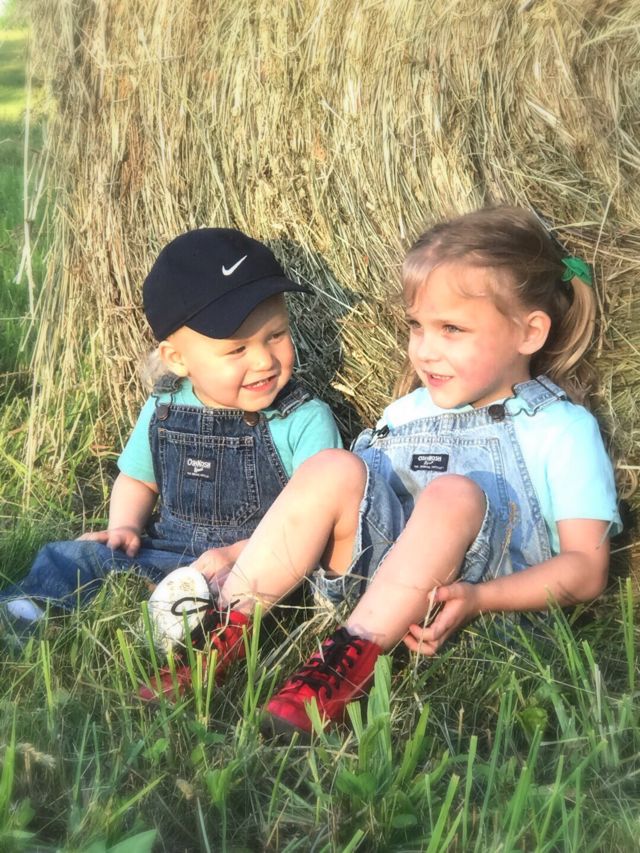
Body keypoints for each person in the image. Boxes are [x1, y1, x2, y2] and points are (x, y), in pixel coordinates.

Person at [140, 206, 621, 738]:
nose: (424, 350)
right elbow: (337, 510)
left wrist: (481, 600)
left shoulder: (560, 428)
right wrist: (241, 552)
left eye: (451, 329)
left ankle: (342, 666)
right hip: (371, 583)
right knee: (332, 466)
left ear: (529, 333)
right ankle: (223, 631)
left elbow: (586, 570)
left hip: (474, 606)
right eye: (417, 326)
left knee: (452, 495)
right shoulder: (406, 413)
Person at [0, 228, 342, 630]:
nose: (265, 360)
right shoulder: (163, 408)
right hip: (167, 554)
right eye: (237, 349)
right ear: (177, 359)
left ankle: (190, 624)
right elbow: (138, 480)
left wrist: (236, 555)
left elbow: (315, 522)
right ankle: (29, 613)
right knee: (71, 555)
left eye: (276, 335)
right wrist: (124, 527)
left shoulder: (303, 420)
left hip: (256, 569)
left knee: (215, 597)